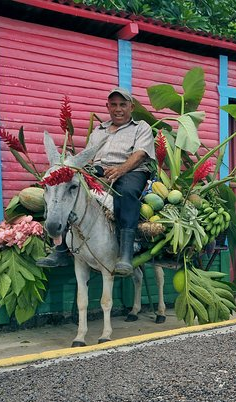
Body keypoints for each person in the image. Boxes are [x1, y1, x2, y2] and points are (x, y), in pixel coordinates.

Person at [37, 87, 154, 276]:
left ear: (131, 107)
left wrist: (121, 169)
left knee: (127, 193)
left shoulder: (140, 127)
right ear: (107, 107)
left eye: (123, 105)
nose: (118, 109)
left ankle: (125, 255)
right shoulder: (98, 131)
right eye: (114, 105)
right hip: (100, 171)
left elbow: (140, 154)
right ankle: (60, 249)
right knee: (70, 191)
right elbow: (90, 159)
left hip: (131, 170)